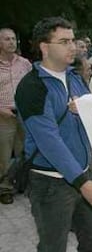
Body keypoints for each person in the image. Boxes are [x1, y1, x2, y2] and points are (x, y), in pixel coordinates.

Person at [15, 17, 92, 251]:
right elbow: (49, 141)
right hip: (51, 184)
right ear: (44, 47)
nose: (73, 46)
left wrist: (87, 109)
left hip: (85, 175)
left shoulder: (75, 77)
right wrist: (82, 183)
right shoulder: (32, 87)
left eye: (73, 40)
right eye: (64, 41)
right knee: (53, 246)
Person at [0, 28, 32, 204]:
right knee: (4, 155)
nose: (11, 42)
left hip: (24, 114)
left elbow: (31, 85)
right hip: (3, 116)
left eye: (13, 39)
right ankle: (5, 188)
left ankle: (21, 183)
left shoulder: (24, 63)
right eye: (7, 39)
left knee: (24, 151)